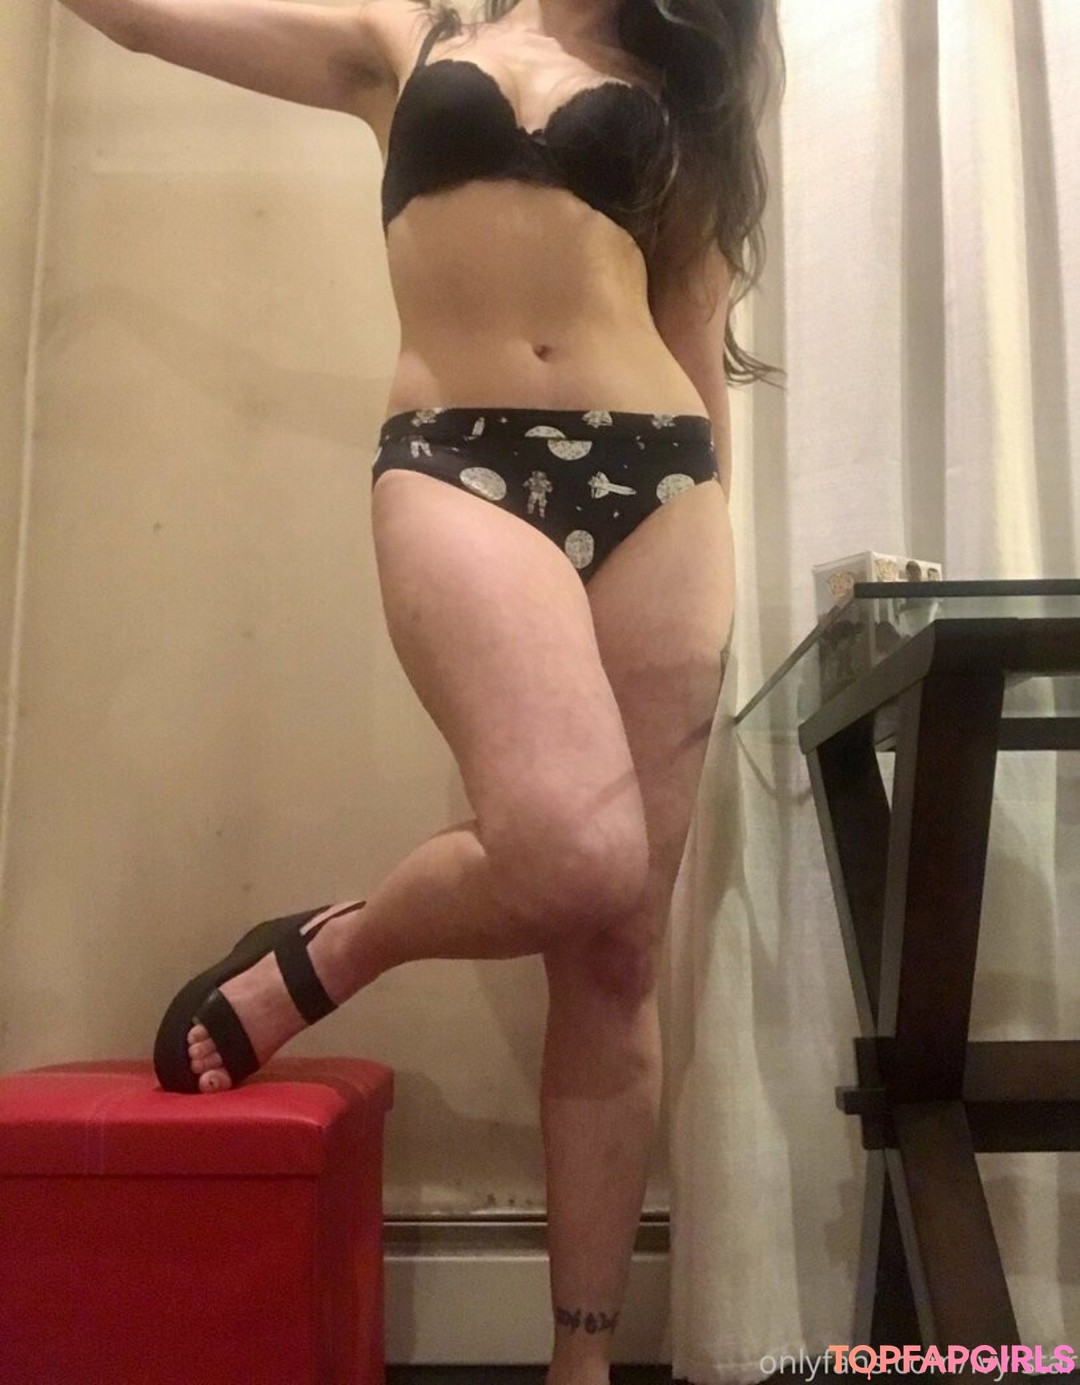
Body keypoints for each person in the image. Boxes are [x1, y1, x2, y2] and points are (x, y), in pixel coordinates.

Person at [59, 1, 783, 1380]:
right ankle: (342, 948)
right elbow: (149, 24)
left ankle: (580, 1362)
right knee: (573, 855)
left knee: (619, 952)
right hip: (460, 460)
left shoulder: (678, 78)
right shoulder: (412, 36)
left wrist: (717, 545)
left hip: (664, 489)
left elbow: (693, 331)